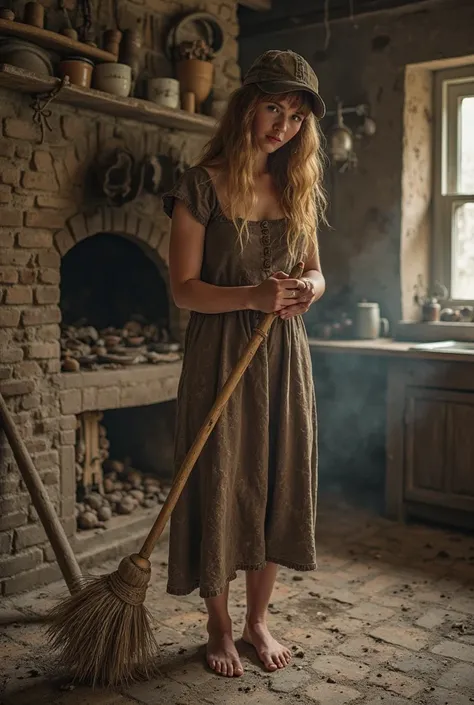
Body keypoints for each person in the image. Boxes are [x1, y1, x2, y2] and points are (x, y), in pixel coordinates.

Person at [162, 49, 327, 679]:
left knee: (277, 482)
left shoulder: (295, 186)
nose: (282, 125)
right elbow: (183, 289)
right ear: (247, 107)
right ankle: (220, 626)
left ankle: (259, 620)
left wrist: (307, 290)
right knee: (220, 483)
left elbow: (317, 271)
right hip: (220, 357)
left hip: (284, 356)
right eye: (273, 108)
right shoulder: (200, 184)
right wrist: (251, 297)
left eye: (295, 117)